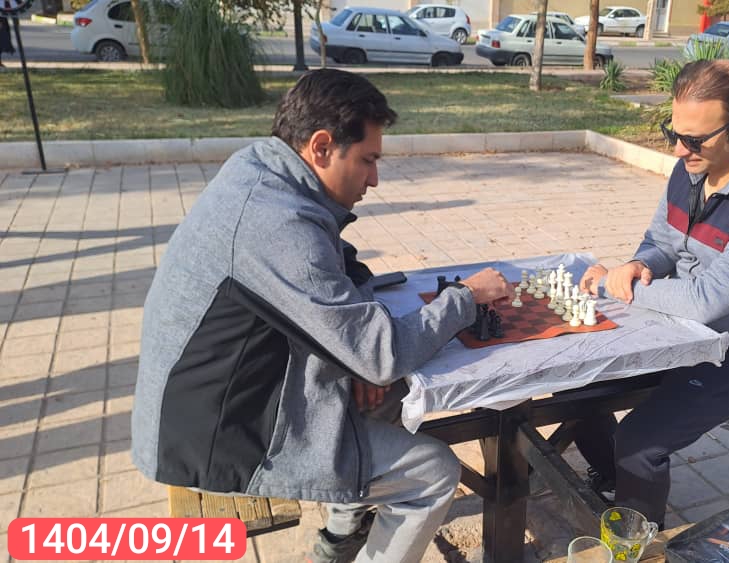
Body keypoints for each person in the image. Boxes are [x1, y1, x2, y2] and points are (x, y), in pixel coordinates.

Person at [131, 69, 512, 563]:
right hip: (219, 435)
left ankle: (341, 533)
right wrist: (465, 297)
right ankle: (348, 529)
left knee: (385, 388)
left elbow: (341, 272)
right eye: (368, 160)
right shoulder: (276, 222)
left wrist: (359, 360)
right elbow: (380, 354)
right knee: (432, 472)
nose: (374, 179)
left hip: (231, 396)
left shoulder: (263, 171)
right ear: (321, 146)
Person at [576, 59, 729, 528]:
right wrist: (640, 265)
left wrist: (613, 283)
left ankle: (639, 545)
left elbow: (706, 301)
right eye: (674, 133)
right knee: (577, 386)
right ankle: (614, 479)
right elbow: (662, 243)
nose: (680, 149)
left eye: (695, 139)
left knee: (639, 442)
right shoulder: (689, 169)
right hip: (678, 328)